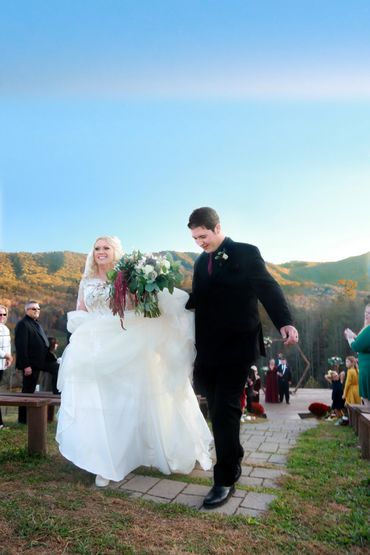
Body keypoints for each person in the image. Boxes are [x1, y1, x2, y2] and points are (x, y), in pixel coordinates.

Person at [56, 236, 212, 487]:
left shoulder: (125, 277)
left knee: (123, 402)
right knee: (98, 403)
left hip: (122, 340)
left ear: (115, 251)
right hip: (94, 343)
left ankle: (131, 452)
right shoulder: (85, 281)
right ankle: (103, 461)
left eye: (106, 248)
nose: (101, 252)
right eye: (97, 248)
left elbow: (133, 306)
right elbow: (81, 309)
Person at [186, 207, 298, 509]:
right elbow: (195, 300)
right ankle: (233, 456)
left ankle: (224, 479)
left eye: (203, 236)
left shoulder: (246, 252)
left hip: (237, 346)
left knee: (225, 407)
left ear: (217, 227)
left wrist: (285, 321)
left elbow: (268, 288)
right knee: (217, 409)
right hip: (207, 349)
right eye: (195, 238)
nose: (200, 243)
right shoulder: (199, 262)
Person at [14, 301, 49, 423]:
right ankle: (23, 419)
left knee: (31, 390)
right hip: (30, 365)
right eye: (33, 309)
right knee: (27, 392)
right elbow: (21, 347)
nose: (37, 311)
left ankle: (28, 418)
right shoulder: (23, 324)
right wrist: (26, 365)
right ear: (26, 310)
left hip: (39, 363)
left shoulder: (35, 323)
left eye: (38, 309)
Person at [344, 303, 370, 407]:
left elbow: (356, 346)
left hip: (367, 369)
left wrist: (350, 337)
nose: (367, 315)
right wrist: (354, 336)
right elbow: (364, 344)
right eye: (366, 312)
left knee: (367, 401)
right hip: (365, 367)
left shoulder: (369, 329)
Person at [0, 305, 13, 429]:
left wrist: (8, 360)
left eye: (4, 314)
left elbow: (7, 347)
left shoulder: (6, 329)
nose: (2, 317)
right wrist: (6, 355)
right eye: (0, 314)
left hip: (1, 366)